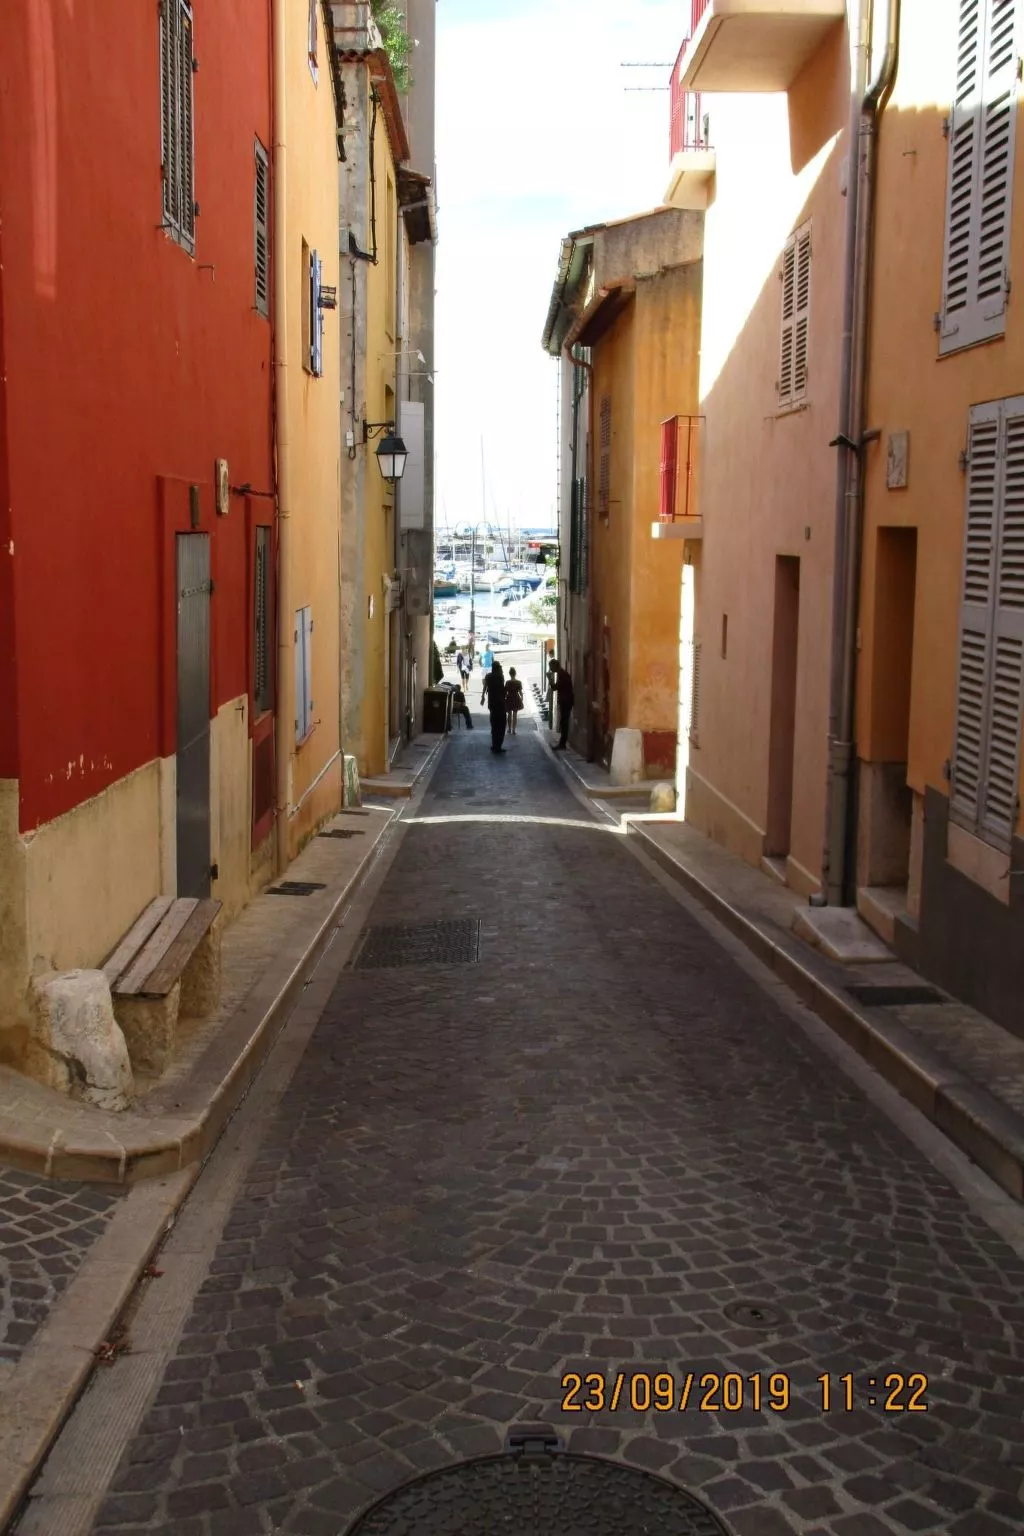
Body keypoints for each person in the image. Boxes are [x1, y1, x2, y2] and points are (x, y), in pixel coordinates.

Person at [548, 658, 574, 750]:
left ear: (556, 666)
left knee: (564, 723)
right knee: (563, 722)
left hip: (565, 701)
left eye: (551, 666)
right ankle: (562, 743)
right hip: (566, 701)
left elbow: (555, 687)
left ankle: (562, 744)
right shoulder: (562, 674)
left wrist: (550, 679)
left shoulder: (562, 675)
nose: (550, 669)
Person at [483, 660, 506, 752]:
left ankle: (494, 745)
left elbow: (485, 687)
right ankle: (498, 746)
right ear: (498, 668)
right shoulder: (500, 676)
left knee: (494, 725)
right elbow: (503, 690)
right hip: (500, 704)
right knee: (501, 726)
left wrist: (482, 697)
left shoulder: (488, 677)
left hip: (491, 704)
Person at [504, 666, 524, 737]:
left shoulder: (507, 682)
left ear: (510, 674)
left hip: (509, 698)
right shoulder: (518, 682)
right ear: (515, 674)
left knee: (509, 714)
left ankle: (509, 729)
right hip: (516, 698)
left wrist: (505, 698)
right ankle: (514, 730)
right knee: (515, 715)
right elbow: (520, 692)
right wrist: (522, 698)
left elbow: (505, 691)